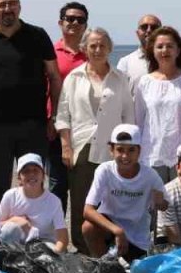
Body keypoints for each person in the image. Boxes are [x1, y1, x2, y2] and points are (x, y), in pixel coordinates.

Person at [0, 0, 62, 209]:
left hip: (33, 126)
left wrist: (54, 117)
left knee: (34, 183)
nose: (7, 8)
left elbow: (55, 77)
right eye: (2, 4)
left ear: (19, 5)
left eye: (11, 3)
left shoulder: (37, 36)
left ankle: (35, 235)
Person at [55, 27, 135, 255]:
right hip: (81, 147)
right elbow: (63, 115)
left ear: (109, 48)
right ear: (85, 49)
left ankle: (110, 249)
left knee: (112, 201)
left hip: (113, 150)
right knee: (82, 202)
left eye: (102, 45)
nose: (98, 49)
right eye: (93, 45)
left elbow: (128, 117)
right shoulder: (74, 77)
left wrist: (128, 150)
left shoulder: (121, 79)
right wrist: (66, 146)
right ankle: (82, 252)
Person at [82, 124, 168, 260]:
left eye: (131, 150)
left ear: (139, 151)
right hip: (110, 229)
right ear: (111, 150)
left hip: (137, 236)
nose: (125, 156)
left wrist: (160, 202)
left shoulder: (150, 175)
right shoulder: (104, 170)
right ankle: (105, 268)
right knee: (88, 228)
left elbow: (165, 205)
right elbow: (88, 210)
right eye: (120, 150)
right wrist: (117, 230)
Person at [135, 26, 181, 183]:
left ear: (178, 50)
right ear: (152, 51)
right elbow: (139, 120)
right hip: (152, 154)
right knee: (154, 204)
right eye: (159, 46)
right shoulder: (144, 82)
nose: (164, 50)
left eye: (170, 46)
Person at [47, 1, 90, 211]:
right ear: (60, 22)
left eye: (80, 20)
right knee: (57, 184)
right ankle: (56, 238)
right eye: (70, 19)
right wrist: (49, 119)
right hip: (56, 127)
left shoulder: (92, 53)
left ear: (85, 25)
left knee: (86, 186)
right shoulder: (49, 52)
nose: (74, 23)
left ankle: (86, 240)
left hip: (86, 127)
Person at [0, 153, 69, 252]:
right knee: (9, 230)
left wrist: (55, 254)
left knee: (48, 254)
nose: (31, 174)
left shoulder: (54, 201)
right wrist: (16, 220)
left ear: (43, 176)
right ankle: (10, 262)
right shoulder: (10, 196)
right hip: (16, 246)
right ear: (19, 178)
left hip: (43, 244)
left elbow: (63, 238)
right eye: (26, 171)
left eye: (36, 170)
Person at [116, 14, 161, 90]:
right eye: (144, 27)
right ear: (137, 33)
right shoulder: (126, 63)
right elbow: (118, 94)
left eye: (154, 27)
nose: (149, 30)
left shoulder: (171, 62)